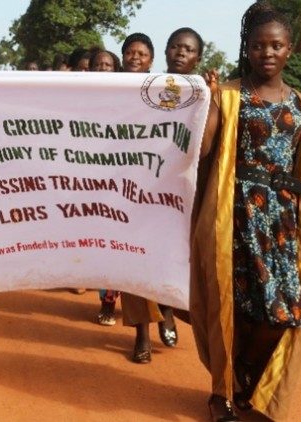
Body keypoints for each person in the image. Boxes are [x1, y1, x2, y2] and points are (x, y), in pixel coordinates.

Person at [192, 3, 301, 420]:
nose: (266, 53)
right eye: (258, 46)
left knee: (281, 312)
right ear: (247, 49)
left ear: (290, 49)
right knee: (233, 309)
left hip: (285, 224)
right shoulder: (230, 94)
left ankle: (248, 375)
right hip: (234, 218)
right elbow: (203, 152)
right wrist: (208, 101)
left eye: (276, 45)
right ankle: (222, 394)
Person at [116, 32, 179, 364]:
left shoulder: (166, 90)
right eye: (129, 52)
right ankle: (142, 336)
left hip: (162, 189)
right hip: (122, 191)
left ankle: (166, 309)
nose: (134, 57)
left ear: (151, 59)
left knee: (163, 258)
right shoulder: (109, 90)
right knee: (131, 263)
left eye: (141, 53)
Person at [87, 49, 123, 325]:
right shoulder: (78, 97)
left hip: (125, 181)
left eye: (108, 65)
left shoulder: (128, 96)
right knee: (103, 246)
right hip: (89, 182)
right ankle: (106, 302)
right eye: (97, 64)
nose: (102, 68)